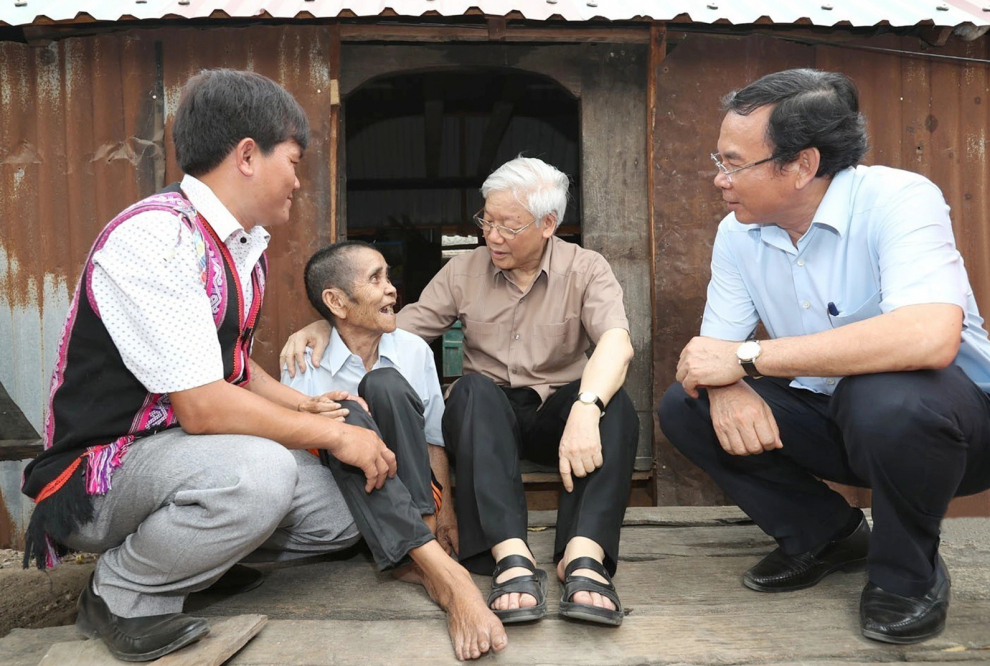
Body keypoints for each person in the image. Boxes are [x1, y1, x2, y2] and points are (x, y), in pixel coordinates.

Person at [19, 69, 505, 663]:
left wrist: (310, 406)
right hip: (103, 474)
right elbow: (202, 407)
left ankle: (198, 566)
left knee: (348, 505)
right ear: (248, 155)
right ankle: (121, 593)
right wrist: (331, 433)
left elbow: (235, 367)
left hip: (180, 461)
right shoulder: (157, 238)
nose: (298, 181)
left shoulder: (242, 247)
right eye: (294, 161)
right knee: (262, 473)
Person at [657, 68, 990, 645]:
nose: (719, 180)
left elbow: (929, 336)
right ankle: (827, 535)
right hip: (842, 426)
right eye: (719, 161)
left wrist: (744, 359)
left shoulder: (898, 199)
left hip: (956, 434)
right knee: (684, 405)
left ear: (801, 165)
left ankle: (906, 577)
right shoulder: (738, 235)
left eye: (733, 163)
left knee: (882, 390)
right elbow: (713, 354)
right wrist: (725, 381)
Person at [283, 157, 639, 626]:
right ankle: (511, 558)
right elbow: (393, 329)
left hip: (560, 415)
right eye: (486, 221)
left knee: (616, 405)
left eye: (508, 226)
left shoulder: (586, 268)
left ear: (548, 224)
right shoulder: (464, 271)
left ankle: (584, 557)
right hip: (490, 424)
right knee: (470, 391)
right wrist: (331, 322)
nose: (491, 236)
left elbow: (617, 342)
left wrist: (586, 409)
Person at [281, 240, 504, 653]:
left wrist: (446, 511)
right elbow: (299, 451)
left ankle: (419, 550)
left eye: (388, 276)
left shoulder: (413, 349)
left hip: (416, 502)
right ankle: (443, 575)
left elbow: (433, 440)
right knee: (345, 413)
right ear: (336, 301)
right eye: (376, 278)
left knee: (384, 385)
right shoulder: (304, 360)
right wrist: (345, 425)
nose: (391, 289)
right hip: (346, 498)